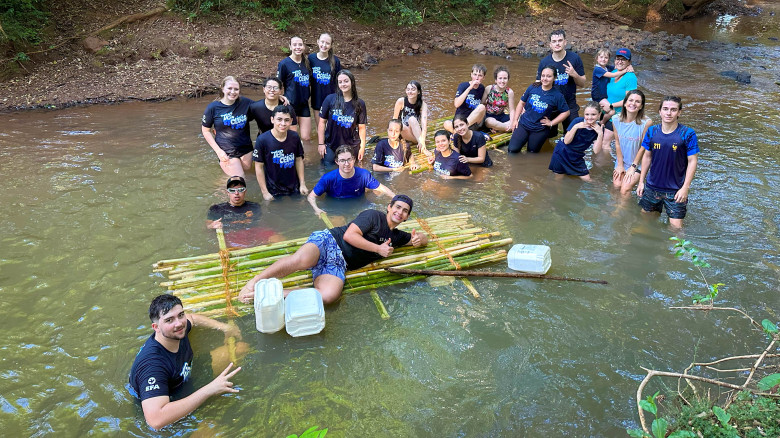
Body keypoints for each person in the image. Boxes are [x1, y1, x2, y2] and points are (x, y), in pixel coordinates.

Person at [237, 195, 429, 304]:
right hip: (330, 241)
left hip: (339, 264)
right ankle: (254, 282)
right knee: (301, 260)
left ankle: (270, 294)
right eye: (397, 207)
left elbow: (422, 239)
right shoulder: (373, 216)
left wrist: (420, 239)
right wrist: (378, 249)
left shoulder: (397, 237)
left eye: (405, 211)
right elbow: (349, 236)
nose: (400, 212)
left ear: (407, 217)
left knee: (328, 296)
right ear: (389, 207)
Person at [128, 294, 241, 430]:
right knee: (214, 428)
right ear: (156, 327)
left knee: (240, 349)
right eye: (169, 320)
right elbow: (156, 421)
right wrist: (209, 390)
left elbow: (192, 318)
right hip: (167, 408)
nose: (179, 323)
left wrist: (224, 328)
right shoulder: (152, 366)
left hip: (184, 377)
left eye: (180, 315)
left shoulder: (178, 328)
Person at [636, 96, 699, 228]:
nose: (668, 113)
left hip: (675, 190)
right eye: (665, 109)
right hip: (652, 187)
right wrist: (641, 182)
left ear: (679, 112)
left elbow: (692, 161)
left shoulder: (687, 133)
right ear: (660, 111)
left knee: (676, 229)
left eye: (673, 110)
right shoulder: (652, 131)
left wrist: (685, 188)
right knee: (645, 222)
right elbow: (647, 156)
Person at [308, 145, 395, 216]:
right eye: (342, 160)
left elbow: (382, 188)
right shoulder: (328, 178)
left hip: (360, 206)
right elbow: (311, 197)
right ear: (337, 162)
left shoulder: (363, 174)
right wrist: (316, 209)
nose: (347, 164)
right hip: (336, 210)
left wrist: (395, 199)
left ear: (353, 159)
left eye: (349, 159)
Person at [507, 66, 570, 154]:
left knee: (532, 153)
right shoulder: (533, 87)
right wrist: (515, 120)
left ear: (554, 78)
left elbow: (566, 112)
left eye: (548, 76)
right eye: (543, 75)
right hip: (524, 124)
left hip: (540, 129)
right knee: (512, 150)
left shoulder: (557, 95)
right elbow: (521, 103)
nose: (545, 78)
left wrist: (552, 123)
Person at [201, 76, 254, 178]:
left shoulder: (246, 103)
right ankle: (218, 188)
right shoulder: (213, 107)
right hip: (226, 151)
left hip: (246, 149)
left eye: (236, 89)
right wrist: (218, 151)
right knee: (239, 180)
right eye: (229, 88)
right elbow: (206, 131)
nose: (233, 92)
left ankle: (221, 184)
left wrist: (277, 98)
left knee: (249, 177)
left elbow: (263, 107)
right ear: (222, 88)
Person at [536, 29, 586, 137]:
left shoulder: (574, 58)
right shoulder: (544, 62)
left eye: (560, 40)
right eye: (554, 41)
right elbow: (537, 86)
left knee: (573, 135)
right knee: (546, 136)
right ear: (550, 44)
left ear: (565, 42)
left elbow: (582, 83)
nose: (557, 43)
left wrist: (574, 74)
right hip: (550, 104)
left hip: (569, 104)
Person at [253, 106, 308, 200]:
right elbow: (259, 167)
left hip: (294, 185)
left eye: (286, 120)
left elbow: (299, 160)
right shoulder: (262, 140)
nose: (283, 123)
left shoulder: (294, 137)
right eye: (279, 119)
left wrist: (302, 184)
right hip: (273, 188)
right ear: (272, 120)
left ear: (291, 121)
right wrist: (265, 192)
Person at [206, 176, 280, 247]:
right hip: (231, 235)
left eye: (240, 190)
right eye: (232, 190)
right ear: (227, 193)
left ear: (245, 191)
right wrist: (212, 225)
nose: (236, 193)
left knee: (278, 238)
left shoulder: (255, 206)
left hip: (252, 233)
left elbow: (261, 224)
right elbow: (207, 226)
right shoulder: (216, 209)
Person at [318, 69, 367, 163]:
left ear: (352, 82)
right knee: (327, 166)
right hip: (331, 144)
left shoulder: (360, 103)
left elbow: (362, 128)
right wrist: (321, 144)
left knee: (352, 167)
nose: (343, 84)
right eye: (340, 82)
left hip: (351, 145)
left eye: (346, 81)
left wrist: (362, 148)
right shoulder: (330, 99)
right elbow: (322, 122)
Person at [548, 101, 603, 181]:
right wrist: (575, 127)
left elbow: (596, 151)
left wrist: (600, 134)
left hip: (577, 156)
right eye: (587, 114)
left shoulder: (599, 129)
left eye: (593, 114)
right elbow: (566, 141)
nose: (589, 117)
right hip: (562, 152)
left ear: (599, 114)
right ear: (584, 114)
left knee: (588, 179)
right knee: (559, 178)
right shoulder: (577, 121)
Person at [611, 90, 652, 194]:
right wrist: (620, 165)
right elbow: (617, 143)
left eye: (637, 102)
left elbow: (643, 147)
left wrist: (633, 167)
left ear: (641, 106)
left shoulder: (646, 123)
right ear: (625, 103)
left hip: (638, 163)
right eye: (631, 100)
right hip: (622, 161)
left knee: (625, 189)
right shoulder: (615, 119)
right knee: (616, 186)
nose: (633, 103)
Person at [603, 48, 639, 149]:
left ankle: (608, 160)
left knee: (605, 144)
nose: (620, 61)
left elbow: (630, 101)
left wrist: (610, 105)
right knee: (606, 141)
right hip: (606, 113)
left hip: (618, 116)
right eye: (618, 59)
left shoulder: (631, 77)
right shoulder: (613, 73)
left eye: (623, 59)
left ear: (629, 62)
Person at [277, 36, 312, 141]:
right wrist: (279, 96)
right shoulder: (284, 64)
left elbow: (310, 81)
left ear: (303, 47)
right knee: (293, 138)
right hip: (290, 104)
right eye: (295, 45)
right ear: (290, 47)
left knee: (306, 138)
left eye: (300, 45)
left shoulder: (307, 63)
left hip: (304, 104)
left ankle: (305, 152)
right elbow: (277, 83)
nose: (298, 47)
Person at [309, 32, 341, 139]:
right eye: (322, 42)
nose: (324, 45)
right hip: (317, 98)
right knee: (320, 128)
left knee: (331, 129)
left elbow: (339, 81)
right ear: (317, 42)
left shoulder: (335, 61)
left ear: (331, 45)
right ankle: (321, 146)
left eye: (327, 43)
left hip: (331, 99)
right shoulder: (311, 59)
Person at [591, 48, 633, 125]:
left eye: (606, 58)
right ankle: (601, 122)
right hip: (598, 95)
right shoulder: (597, 69)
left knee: (602, 110)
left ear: (609, 59)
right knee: (612, 111)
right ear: (597, 58)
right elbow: (612, 75)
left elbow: (616, 67)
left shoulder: (607, 68)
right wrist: (625, 70)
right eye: (601, 57)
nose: (603, 59)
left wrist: (629, 66)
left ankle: (600, 120)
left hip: (603, 95)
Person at [443, 64, 487, 133]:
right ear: (471, 75)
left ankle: (461, 130)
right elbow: (456, 104)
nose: (477, 78)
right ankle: (458, 132)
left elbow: (481, 106)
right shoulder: (463, 86)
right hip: (460, 119)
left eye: (480, 76)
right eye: (475, 74)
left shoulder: (482, 88)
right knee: (446, 123)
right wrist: (469, 88)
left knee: (482, 107)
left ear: (483, 77)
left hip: (473, 122)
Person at [392, 80, 429, 152]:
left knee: (412, 119)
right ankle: (418, 142)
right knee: (400, 125)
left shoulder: (423, 104)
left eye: (413, 89)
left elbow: (424, 124)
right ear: (406, 91)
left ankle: (422, 145)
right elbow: (394, 119)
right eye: (408, 89)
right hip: (403, 131)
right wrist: (392, 137)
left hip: (415, 130)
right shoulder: (401, 101)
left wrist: (423, 138)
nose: (410, 92)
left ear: (418, 92)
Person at [482, 66, 516, 133]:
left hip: (501, 116)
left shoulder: (509, 92)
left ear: (508, 80)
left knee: (520, 118)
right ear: (496, 80)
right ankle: (506, 128)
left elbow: (512, 110)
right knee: (489, 122)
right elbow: (482, 103)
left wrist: (512, 122)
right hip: (489, 116)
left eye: (505, 78)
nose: (502, 81)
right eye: (500, 78)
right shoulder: (489, 89)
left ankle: (499, 128)